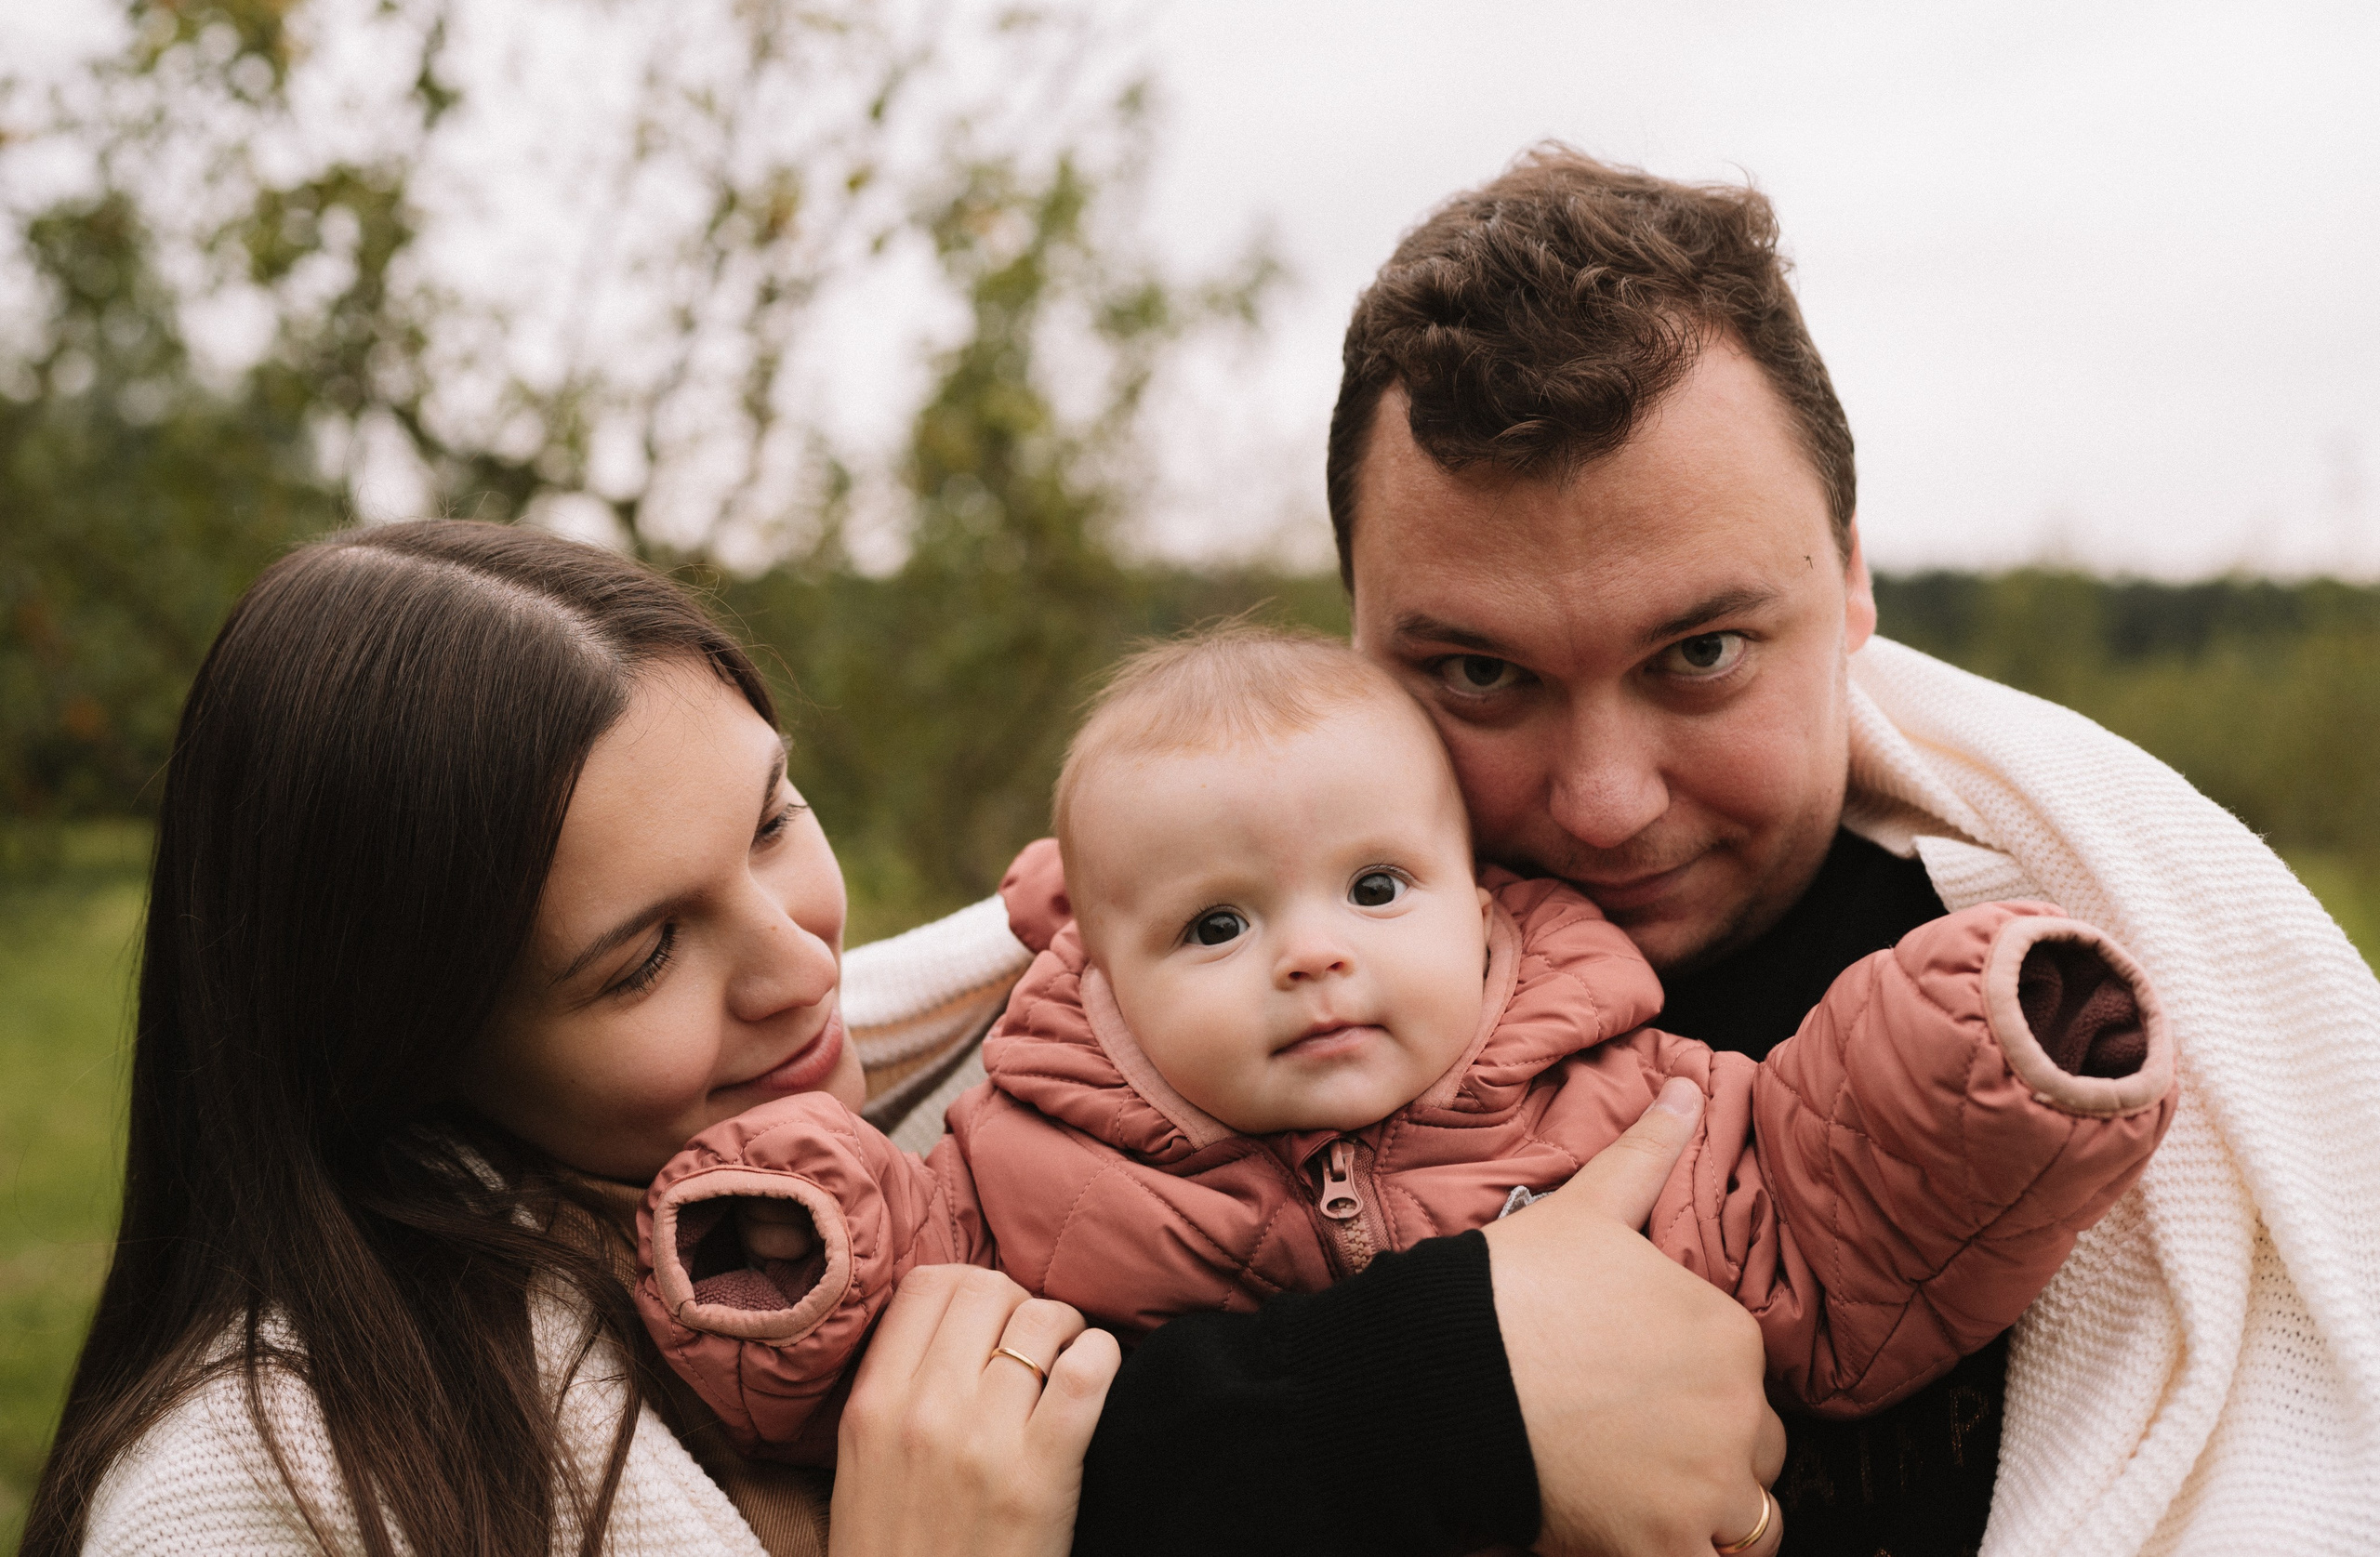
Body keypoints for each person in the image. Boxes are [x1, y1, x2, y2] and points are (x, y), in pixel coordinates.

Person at [876, 147, 2380, 1557]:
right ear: (1358, 643)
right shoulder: (1124, 1012)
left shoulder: (2037, 994)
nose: (1602, 801)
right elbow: (872, 1458)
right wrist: (1427, 1394)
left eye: (1703, 650)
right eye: (1478, 672)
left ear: (1853, 582)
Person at [633, 624, 2175, 1485]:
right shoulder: (1018, 1153)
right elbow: (887, 1280)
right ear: (1091, 961)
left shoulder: (1630, 1093)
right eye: (1217, 926)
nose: (1315, 953)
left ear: (1484, 898)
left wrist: (1990, 1053)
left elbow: (1830, 1210)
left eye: (1376, 890)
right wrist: (786, 1240)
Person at [22, 520, 1120, 1557]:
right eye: (643, 959)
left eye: (773, 823)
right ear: (405, 1049)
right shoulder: (248, 1498)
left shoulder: (1097, 1080)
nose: (800, 968)